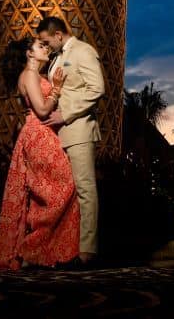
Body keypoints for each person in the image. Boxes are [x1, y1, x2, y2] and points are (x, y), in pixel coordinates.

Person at [0, 37, 80, 270]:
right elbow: (42, 110)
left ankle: (46, 251)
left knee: (50, 191)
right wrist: (58, 90)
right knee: (65, 187)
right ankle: (33, 246)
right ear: (29, 54)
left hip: (42, 134)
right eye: (40, 46)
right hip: (38, 134)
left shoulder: (35, 76)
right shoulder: (29, 75)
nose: (45, 48)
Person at [36, 16, 103, 264]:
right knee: (69, 194)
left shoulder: (84, 51)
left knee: (85, 190)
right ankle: (68, 248)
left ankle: (87, 252)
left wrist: (67, 113)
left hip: (79, 131)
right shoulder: (57, 57)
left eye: (46, 41)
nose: (45, 46)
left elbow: (97, 89)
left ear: (58, 35)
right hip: (60, 135)